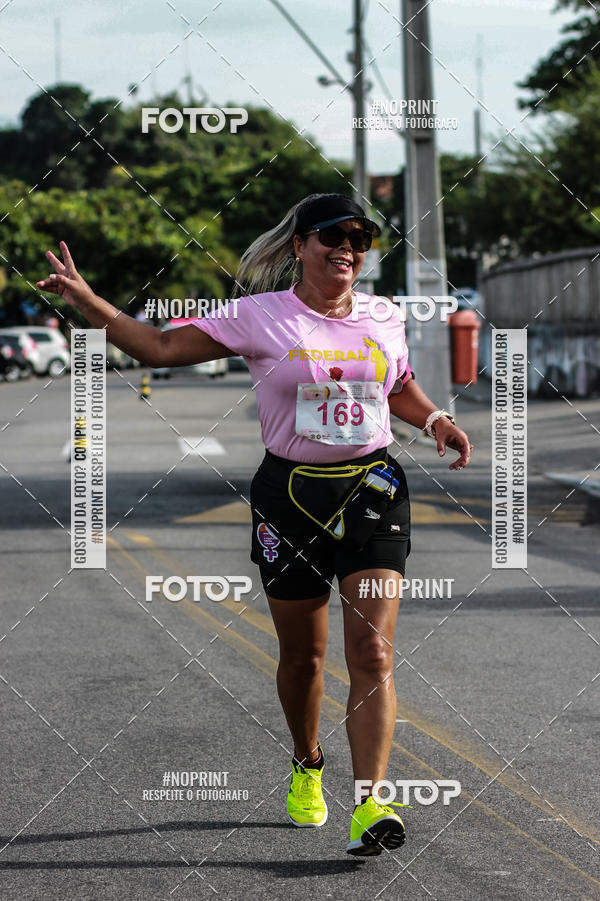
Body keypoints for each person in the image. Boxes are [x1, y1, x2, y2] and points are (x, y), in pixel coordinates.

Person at [37, 192, 471, 856]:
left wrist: (436, 418)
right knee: (304, 657)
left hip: (373, 492)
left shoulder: (384, 315)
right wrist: (88, 301)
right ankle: (307, 761)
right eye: (333, 235)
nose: (348, 248)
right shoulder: (258, 315)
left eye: (360, 238)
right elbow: (158, 346)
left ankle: (371, 802)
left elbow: (397, 385)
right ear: (300, 245)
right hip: (290, 498)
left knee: (372, 652)